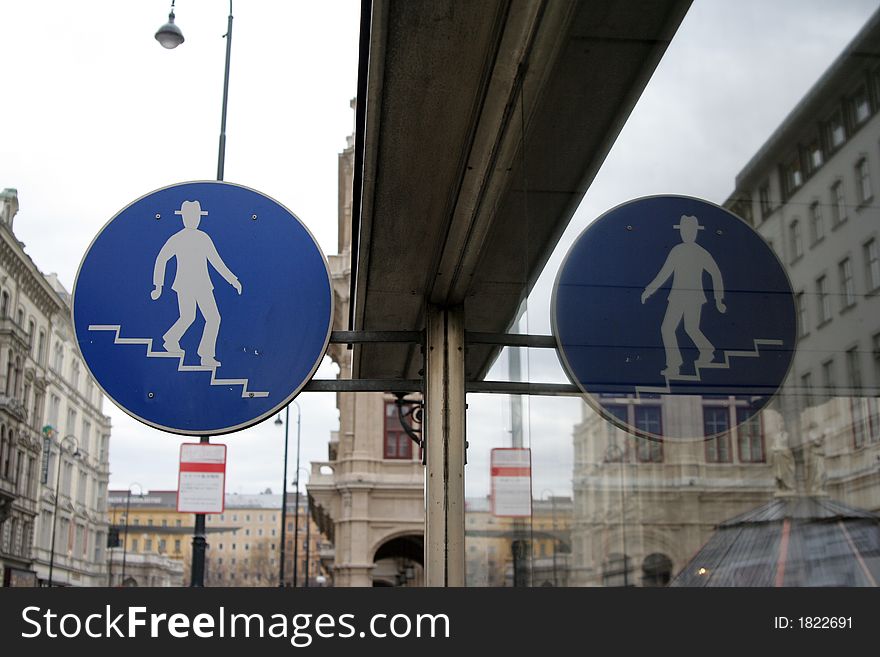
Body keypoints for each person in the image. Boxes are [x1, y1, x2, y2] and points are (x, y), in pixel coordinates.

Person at [151, 200, 241, 368]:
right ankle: (189, 348)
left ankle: (185, 346)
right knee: (194, 317)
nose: (193, 219)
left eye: (195, 216)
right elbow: (161, 259)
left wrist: (232, 279)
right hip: (186, 285)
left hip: (202, 285)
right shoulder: (177, 238)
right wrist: (158, 285)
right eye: (189, 216)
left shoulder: (203, 238)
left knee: (210, 318)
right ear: (184, 217)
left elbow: (216, 261)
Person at [641, 215, 726, 377]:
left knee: (684, 328)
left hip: (692, 297)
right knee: (674, 328)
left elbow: (716, 273)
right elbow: (665, 273)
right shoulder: (677, 250)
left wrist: (718, 298)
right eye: (685, 231)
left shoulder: (700, 252)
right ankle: (687, 359)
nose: (687, 234)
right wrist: (649, 290)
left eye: (690, 231)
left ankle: (692, 357)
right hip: (678, 297)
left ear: (695, 232)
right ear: (681, 232)